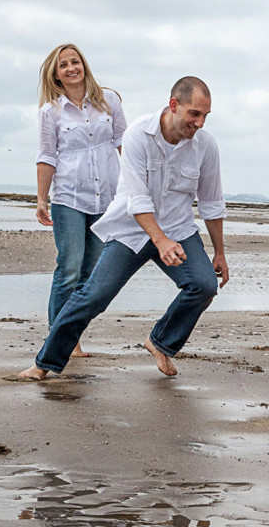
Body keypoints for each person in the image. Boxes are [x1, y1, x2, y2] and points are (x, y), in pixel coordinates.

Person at [13, 76, 227, 380]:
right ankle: (44, 363)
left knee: (204, 285)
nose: (200, 123)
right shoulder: (138, 134)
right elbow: (137, 200)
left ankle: (161, 342)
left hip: (178, 230)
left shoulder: (206, 145)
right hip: (131, 230)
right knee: (93, 296)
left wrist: (219, 253)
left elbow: (211, 203)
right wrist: (160, 241)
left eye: (205, 115)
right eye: (195, 113)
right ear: (174, 105)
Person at [35, 44, 127, 358]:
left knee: (91, 275)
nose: (71, 68)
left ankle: (72, 332)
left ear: (84, 65)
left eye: (75, 61)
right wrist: (41, 200)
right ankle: (59, 340)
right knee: (69, 269)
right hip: (69, 198)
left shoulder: (110, 100)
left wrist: (137, 187)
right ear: (56, 75)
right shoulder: (50, 112)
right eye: (64, 65)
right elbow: (47, 156)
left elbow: (124, 144)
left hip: (107, 200)